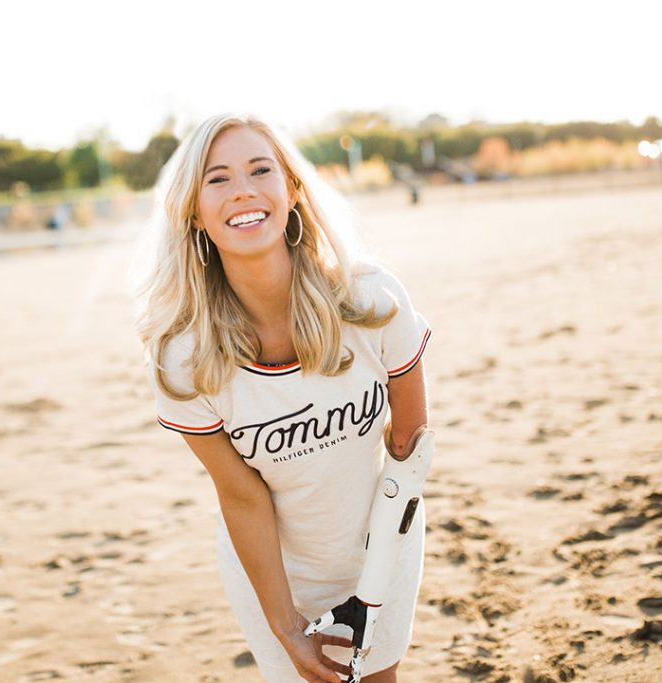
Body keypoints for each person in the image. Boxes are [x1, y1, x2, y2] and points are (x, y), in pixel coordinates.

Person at [138, 113, 431, 683]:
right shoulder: (183, 359)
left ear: (292, 190)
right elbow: (242, 496)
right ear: (193, 213)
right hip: (274, 571)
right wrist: (286, 624)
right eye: (216, 179)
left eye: (260, 170)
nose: (243, 189)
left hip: (381, 541)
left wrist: (375, 578)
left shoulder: (371, 301)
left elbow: (409, 446)